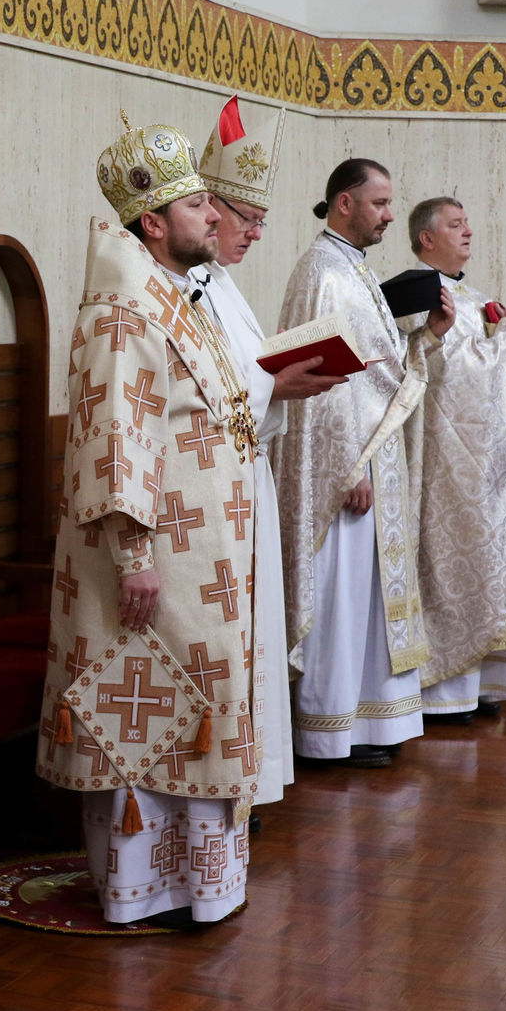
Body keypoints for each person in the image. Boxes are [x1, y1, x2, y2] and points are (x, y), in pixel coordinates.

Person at [37, 116, 264, 927]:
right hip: (158, 551)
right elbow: (114, 433)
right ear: (153, 222)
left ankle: (201, 882)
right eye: (199, 205)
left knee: (198, 697)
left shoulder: (177, 295)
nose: (214, 215)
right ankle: (147, 889)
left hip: (205, 548)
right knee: (153, 702)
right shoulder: (125, 305)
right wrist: (133, 552)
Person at [190, 96, 345, 810]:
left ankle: (249, 777)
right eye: (245, 218)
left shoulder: (223, 285)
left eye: (260, 220)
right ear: (206, 208)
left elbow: (242, 376)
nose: (255, 233)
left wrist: (277, 382)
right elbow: (196, 389)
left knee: (253, 631)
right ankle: (229, 782)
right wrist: (272, 384)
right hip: (207, 487)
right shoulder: (183, 289)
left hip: (244, 474)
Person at [276, 160, 452, 769]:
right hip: (346, 464)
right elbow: (320, 380)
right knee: (341, 596)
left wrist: (425, 336)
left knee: (369, 597)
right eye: (379, 204)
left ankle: (371, 723)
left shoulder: (353, 268)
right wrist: (345, 468)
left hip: (373, 454)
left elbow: (376, 368)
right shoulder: (322, 273)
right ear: (344, 203)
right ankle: (329, 730)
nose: (388, 216)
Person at [403, 197, 506, 722]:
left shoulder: (477, 298)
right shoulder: (415, 294)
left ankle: (483, 684)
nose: (468, 231)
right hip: (443, 459)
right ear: (426, 239)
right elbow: (444, 369)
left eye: (468, 223)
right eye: (455, 225)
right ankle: (445, 694)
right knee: (449, 568)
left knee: (488, 563)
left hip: (489, 463)